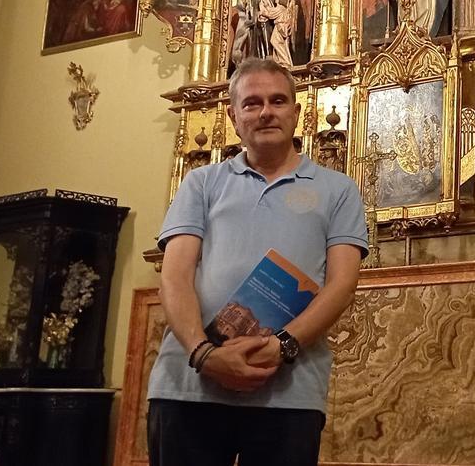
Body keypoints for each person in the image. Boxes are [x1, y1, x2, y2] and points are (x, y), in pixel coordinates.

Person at [147, 58, 368, 466]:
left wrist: (282, 346)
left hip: (288, 391)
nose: (266, 111)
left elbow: (342, 284)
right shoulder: (201, 183)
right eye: (251, 103)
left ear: (297, 112)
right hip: (188, 385)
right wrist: (203, 354)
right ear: (233, 117)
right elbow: (175, 276)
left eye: (278, 100)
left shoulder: (339, 190)